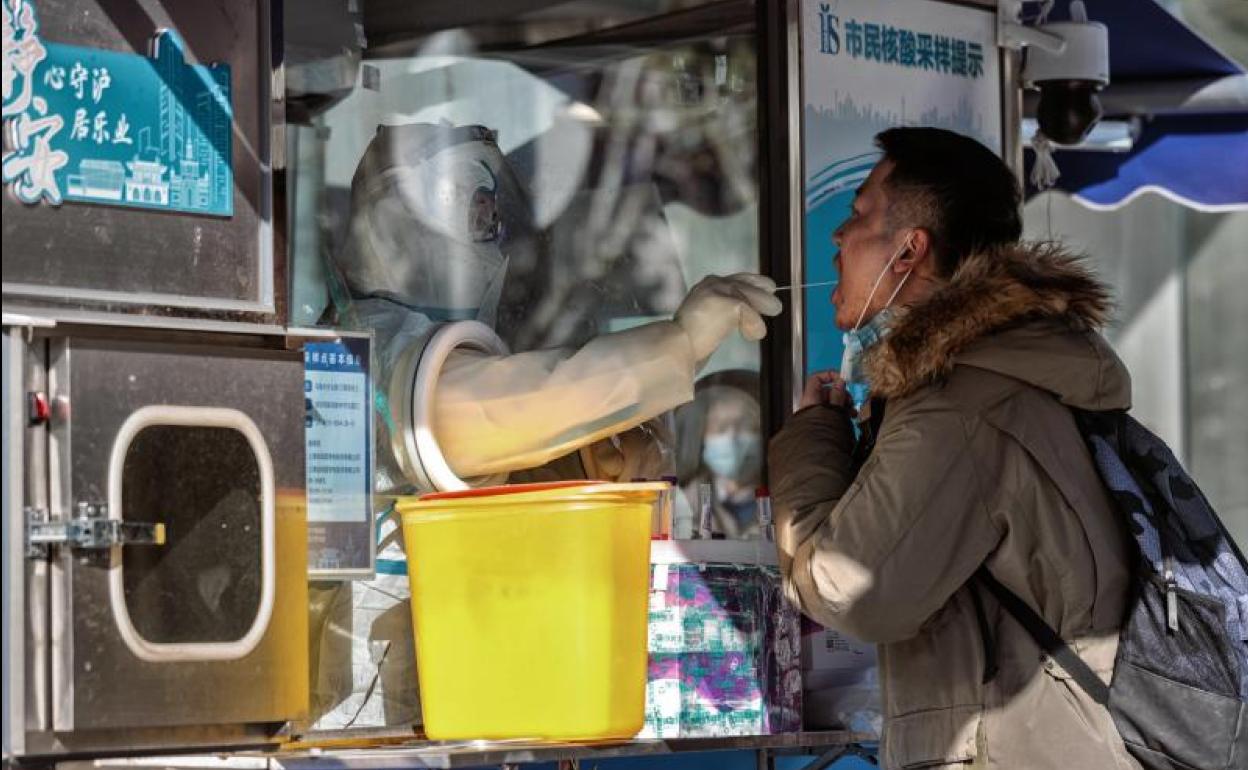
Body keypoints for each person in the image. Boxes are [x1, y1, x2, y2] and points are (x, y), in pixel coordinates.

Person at [769, 127, 1140, 770]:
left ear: (909, 250)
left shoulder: (961, 402)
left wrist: (810, 443)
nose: (837, 238)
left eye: (858, 215)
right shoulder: (1002, 375)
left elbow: (852, 590)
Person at [675, 371, 764, 539]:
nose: (731, 437)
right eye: (720, 428)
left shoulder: (786, 504)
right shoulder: (681, 507)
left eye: (747, 425)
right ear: (701, 436)